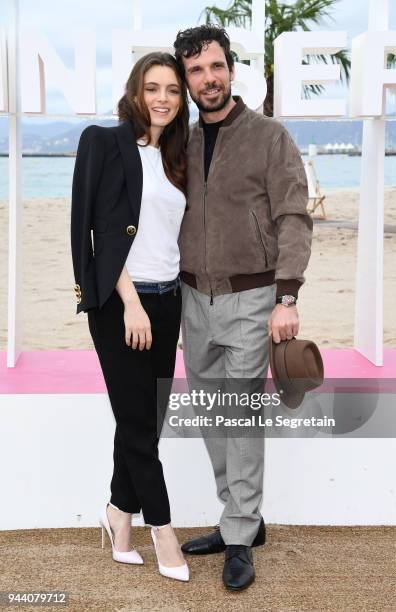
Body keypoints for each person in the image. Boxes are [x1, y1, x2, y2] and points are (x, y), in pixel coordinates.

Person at [173, 26, 313, 591]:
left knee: (241, 415)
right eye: (196, 71)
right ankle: (242, 520)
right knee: (212, 414)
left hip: (254, 299)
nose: (208, 79)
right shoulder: (176, 142)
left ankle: (237, 536)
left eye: (215, 67)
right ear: (186, 80)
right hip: (191, 299)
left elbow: (294, 218)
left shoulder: (269, 136)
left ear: (231, 69)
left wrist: (286, 296)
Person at [70, 52, 190, 582]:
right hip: (125, 304)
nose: (162, 98)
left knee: (145, 421)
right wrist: (131, 305)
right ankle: (162, 530)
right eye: (152, 88)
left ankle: (119, 515)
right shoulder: (105, 142)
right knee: (140, 426)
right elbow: (94, 230)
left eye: (171, 89)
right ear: (135, 93)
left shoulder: (176, 156)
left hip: (169, 302)